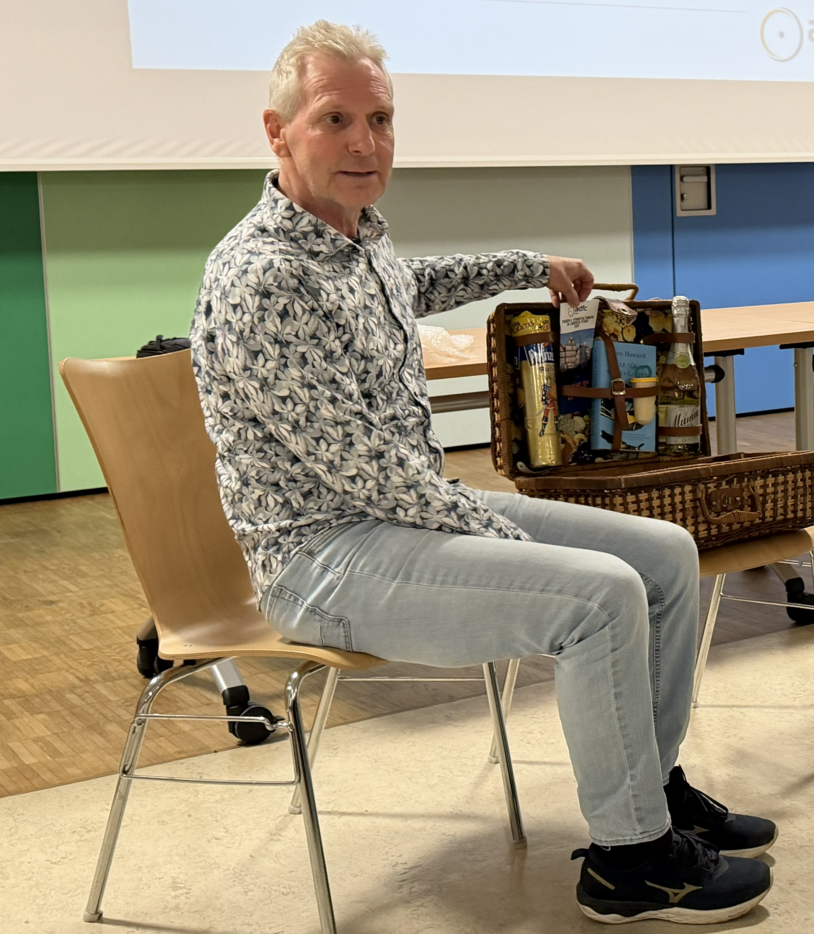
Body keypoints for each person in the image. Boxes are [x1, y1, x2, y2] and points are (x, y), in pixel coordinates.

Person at [189, 20, 773, 925]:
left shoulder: (354, 239)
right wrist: (502, 530)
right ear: (278, 132)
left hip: (399, 519)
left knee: (662, 554)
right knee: (598, 596)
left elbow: (411, 282)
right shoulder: (262, 276)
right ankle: (629, 861)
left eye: (380, 120)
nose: (365, 142)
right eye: (335, 119)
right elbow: (367, 473)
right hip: (323, 556)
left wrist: (528, 267)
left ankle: (649, 793)